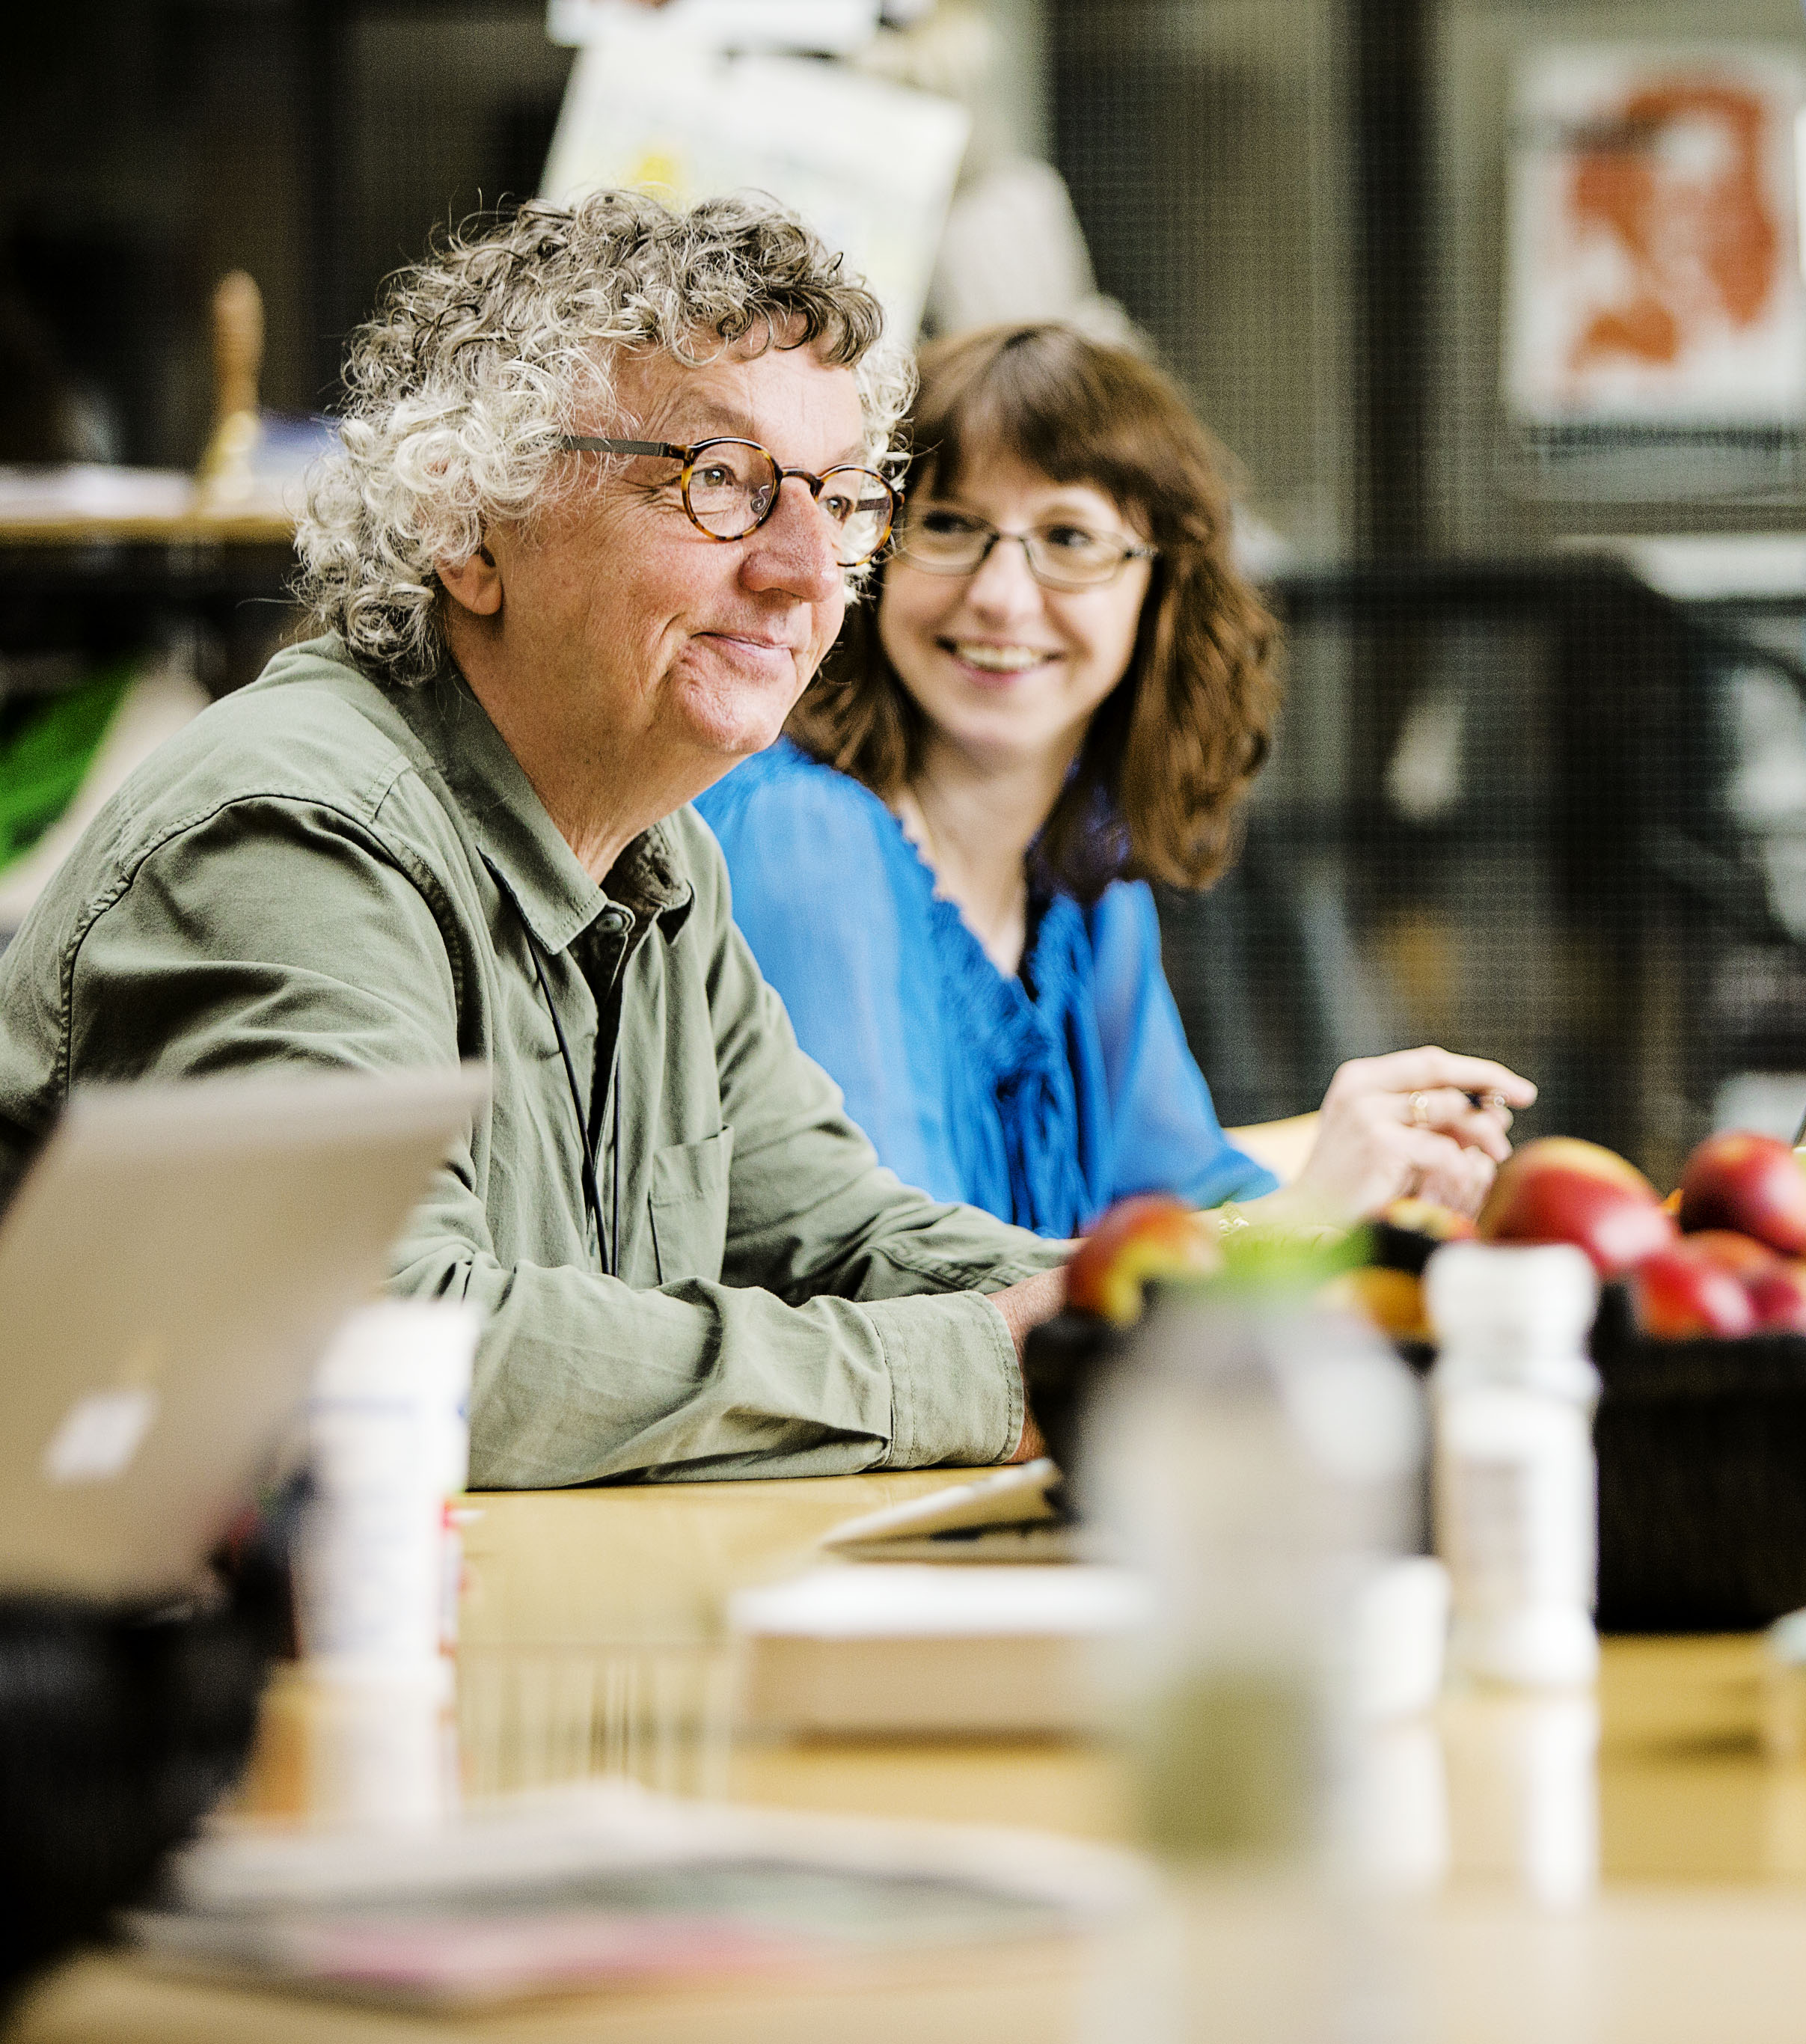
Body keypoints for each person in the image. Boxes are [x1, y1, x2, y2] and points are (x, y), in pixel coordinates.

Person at [0, 193, 1086, 1490]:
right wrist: (972, 1373)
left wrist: (1157, 1313)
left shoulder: (662, 861)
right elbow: (386, 1353)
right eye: (719, 482)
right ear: (469, 529)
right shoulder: (296, 834)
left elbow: (840, 1236)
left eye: (842, 499)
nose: (807, 571)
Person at [696, 322, 1531, 1234]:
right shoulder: (804, 840)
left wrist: (1388, 1169)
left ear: (1161, 591)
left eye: (1068, 536)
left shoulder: (1082, 873)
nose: (1002, 596)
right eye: (947, 525)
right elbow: (906, 1287)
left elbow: (1179, 1195)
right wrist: (1305, 1216)